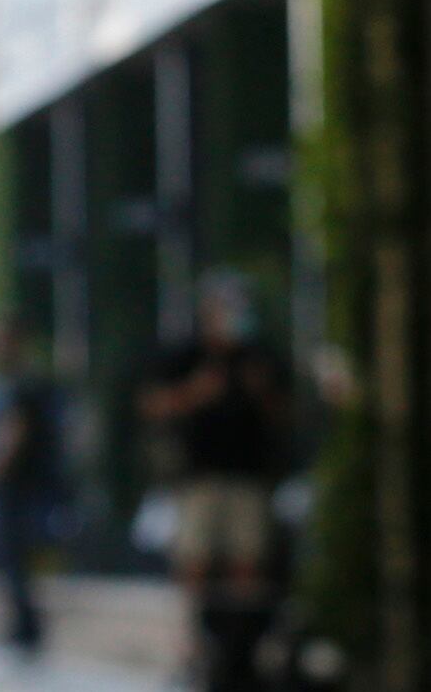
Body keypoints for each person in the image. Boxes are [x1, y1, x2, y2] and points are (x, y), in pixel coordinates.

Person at [145, 272, 293, 690]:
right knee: (195, 560)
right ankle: (192, 643)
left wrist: (260, 391)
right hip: (199, 479)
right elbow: (153, 404)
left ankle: (242, 645)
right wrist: (195, 393)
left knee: (247, 559)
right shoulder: (187, 356)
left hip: (249, 478)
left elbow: (285, 413)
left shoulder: (260, 358)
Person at [0, 318, 68, 657]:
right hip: (17, 486)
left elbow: (10, 436)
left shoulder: (22, 385)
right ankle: (23, 624)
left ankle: (25, 628)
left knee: (12, 558)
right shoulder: (12, 384)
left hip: (18, 487)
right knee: (11, 561)